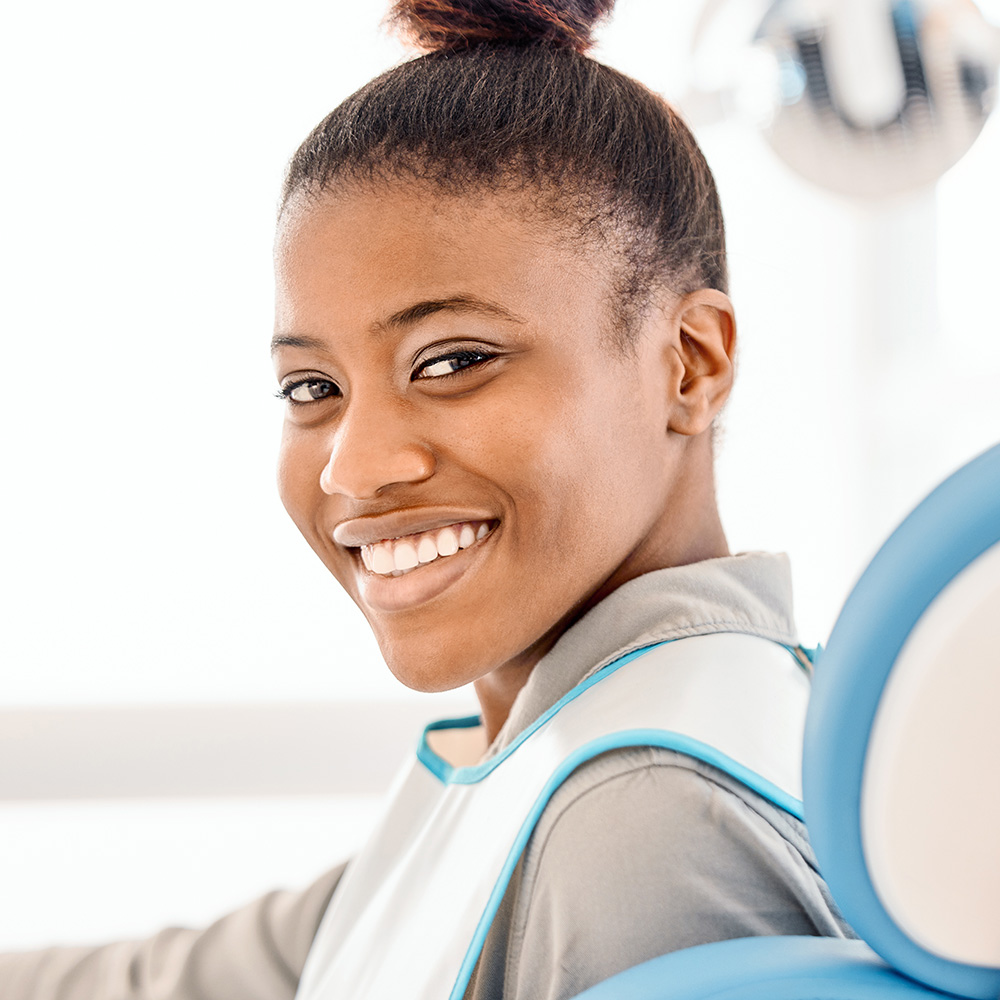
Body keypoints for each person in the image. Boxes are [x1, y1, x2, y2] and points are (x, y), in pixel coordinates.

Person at [0, 1, 855, 997]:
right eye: (310, 389)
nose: (353, 469)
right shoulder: (567, 744)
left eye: (453, 360)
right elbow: (207, 974)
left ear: (688, 363)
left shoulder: (638, 818)